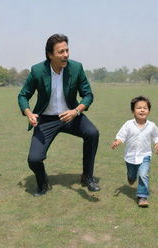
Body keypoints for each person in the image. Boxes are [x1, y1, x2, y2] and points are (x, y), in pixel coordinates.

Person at [18, 34, 100, 196]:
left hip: (71, 115)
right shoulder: (37, 70)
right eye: (61, 52)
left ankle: (87, 177)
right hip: (46, 120)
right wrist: (29, 113)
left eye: (67, 50)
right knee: (34, 160)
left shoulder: (76, 68)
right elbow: (23, 95)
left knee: (92, 133)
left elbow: (88, 95)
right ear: (50, 55)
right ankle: (43, 183)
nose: (66, 55)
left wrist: (76, 111)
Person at [111, 96, 158, 207]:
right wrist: (117, 142)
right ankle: (131, 177)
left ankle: (142, 196)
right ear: (133, 111)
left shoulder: (152, 126)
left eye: (145, 108)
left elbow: (157, 136)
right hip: (130, 156)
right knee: (132, 175)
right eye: (139, 108)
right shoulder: (128, 124)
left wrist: (157, 144)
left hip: (145, 155)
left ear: (149, 111)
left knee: (143, 175)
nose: (142, 110)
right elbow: (121, 136)